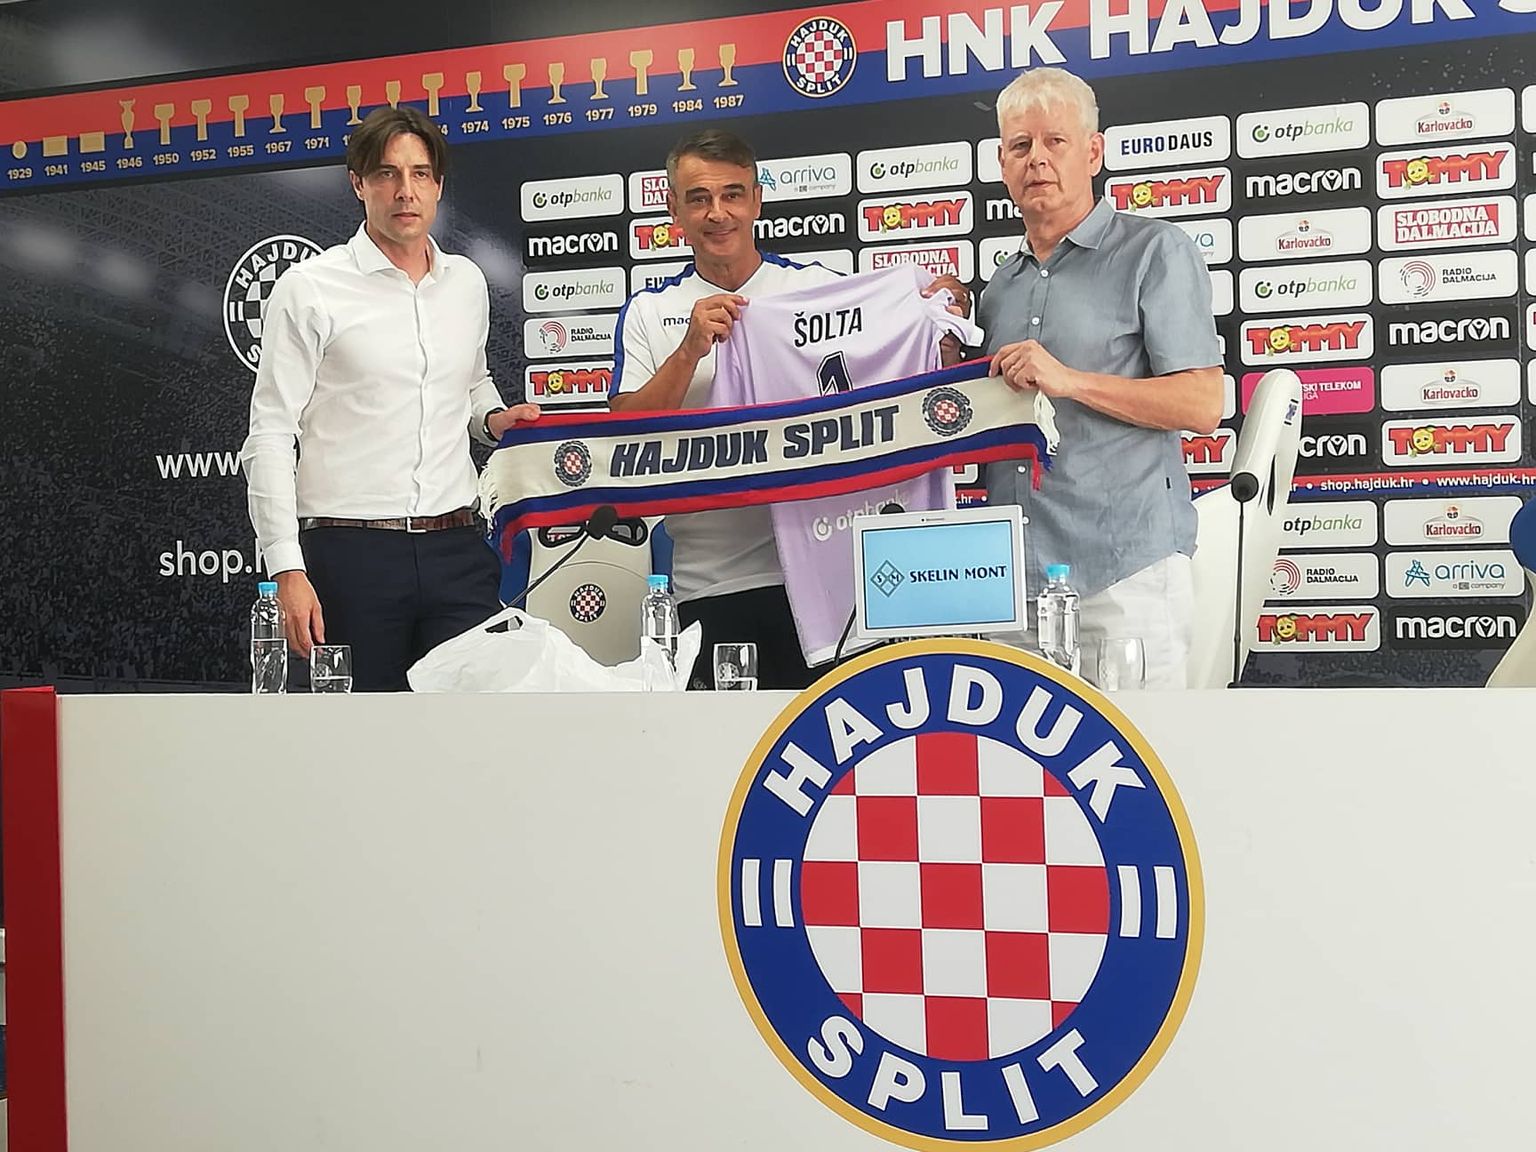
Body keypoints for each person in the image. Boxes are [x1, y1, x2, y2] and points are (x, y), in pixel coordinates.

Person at [608, 128, 970, 689]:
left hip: (833, 577)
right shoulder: (651, 310)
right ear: (673, 209)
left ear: (756, 200)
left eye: (732, 194)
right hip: (716, 582)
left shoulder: (819, 289)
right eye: (699, 198)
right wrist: (687, 352)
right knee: (727, 745)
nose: (718, 213)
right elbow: (626, 436)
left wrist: (935, 321)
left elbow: (898, 380)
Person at [240, 106, 538, 692]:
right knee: (359, 738)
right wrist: (286, 567)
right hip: (350, 555)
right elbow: (270, 434)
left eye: (420, 174)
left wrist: (494, 419)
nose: (406, 191)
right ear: (358, 183)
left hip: (457, 550)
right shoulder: (310, 289)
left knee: (466, 733)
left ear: (438, 186)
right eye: (387, 174)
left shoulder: (466, 282)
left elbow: (471, 383)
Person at [979, 68, 1223, 689]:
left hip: (1124, 578)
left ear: (1093, 152)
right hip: (1014, 587)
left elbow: (1202, 404)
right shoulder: (999, 287)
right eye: (1020, 145)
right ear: (1002, 163)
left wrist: (1069, 380)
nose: (1036, 159)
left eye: (1055, 141)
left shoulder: (1155, 251)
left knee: (1145, 751)